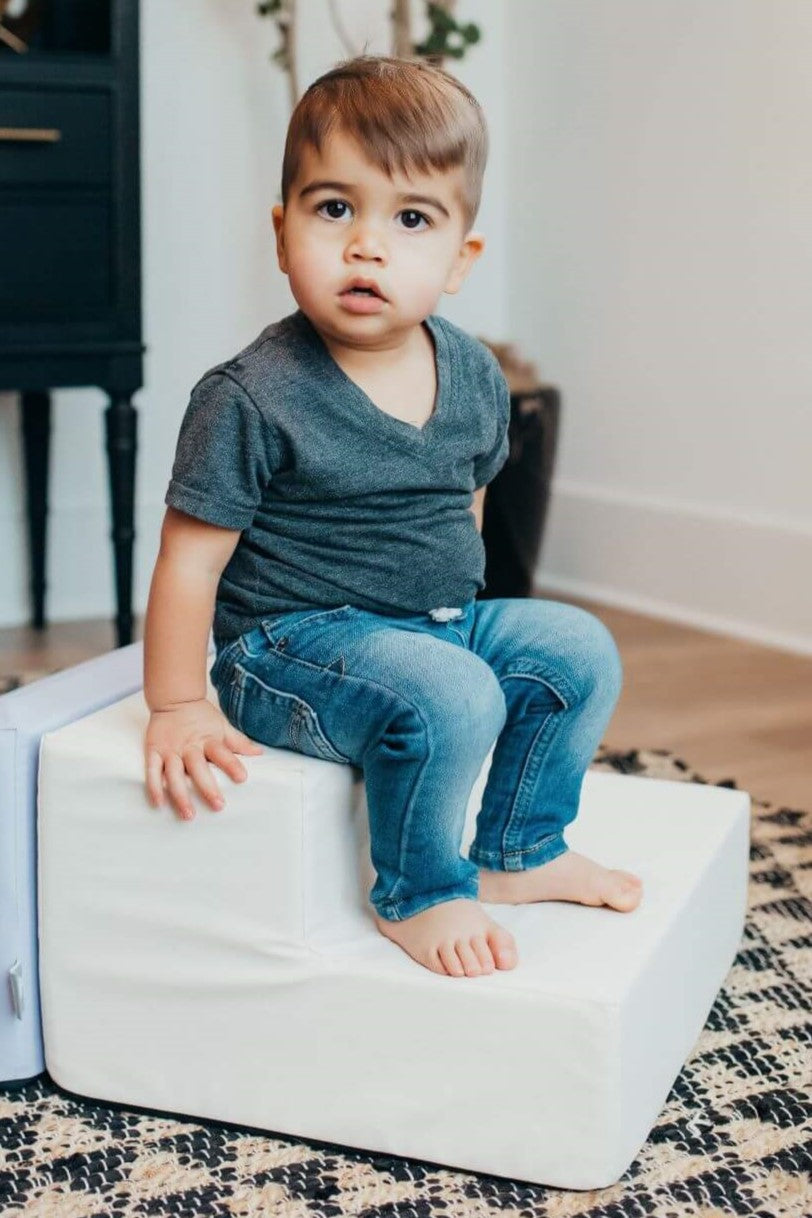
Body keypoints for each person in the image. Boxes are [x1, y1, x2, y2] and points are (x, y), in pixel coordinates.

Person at [143, 54, 642, 981]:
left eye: (411, 219)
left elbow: (467, 504)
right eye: (336, 209)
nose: (368, 245)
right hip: (289, 649)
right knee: (450, 694)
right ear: (282, 230)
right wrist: (177, 705)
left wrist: (462, 612)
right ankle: (421, 891)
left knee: (575, 649)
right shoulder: (250, 396)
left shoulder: (476, 375)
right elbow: (188, 565)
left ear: (460, 260)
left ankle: (523, 850)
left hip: (435, 624)